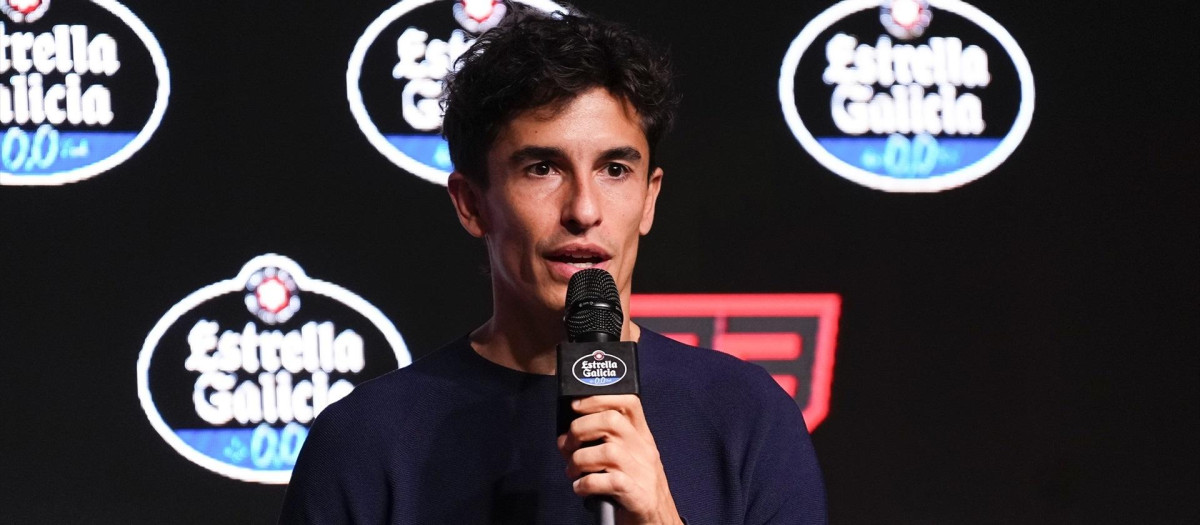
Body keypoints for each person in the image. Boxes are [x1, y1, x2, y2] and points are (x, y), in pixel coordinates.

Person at [280, 5, 826, 524]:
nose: (584, 210)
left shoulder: (747, 417)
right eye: (543, 168)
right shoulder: (367, 438)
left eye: (614, 169)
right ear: (471, 203)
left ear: (649, 198)